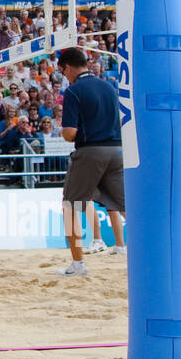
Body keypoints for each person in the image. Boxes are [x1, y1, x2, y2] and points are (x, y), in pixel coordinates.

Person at [56, 47, 126, 276]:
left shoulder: (74, 91)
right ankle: (151, 255)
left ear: (67, 67)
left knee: (71, 206)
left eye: (63, 72)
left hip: (90, 152)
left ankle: (78, 265)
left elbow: (70, 133)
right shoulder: (109, 86)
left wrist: (63, 133)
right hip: (116, 150)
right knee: (126, 208)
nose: (64, 76)